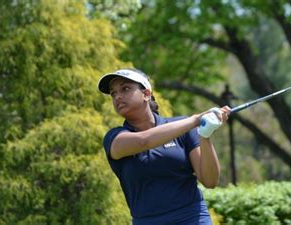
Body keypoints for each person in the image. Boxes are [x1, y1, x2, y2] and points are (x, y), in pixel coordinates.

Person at [98, 68, 230, 225]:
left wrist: (205, 134)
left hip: (192, 218)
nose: (118, 96)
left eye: (125, 89)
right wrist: (195, 120)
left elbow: (210, 181)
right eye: (113, 93)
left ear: (146, 94)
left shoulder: (183, 127)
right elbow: (143, 141)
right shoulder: (115, 138)